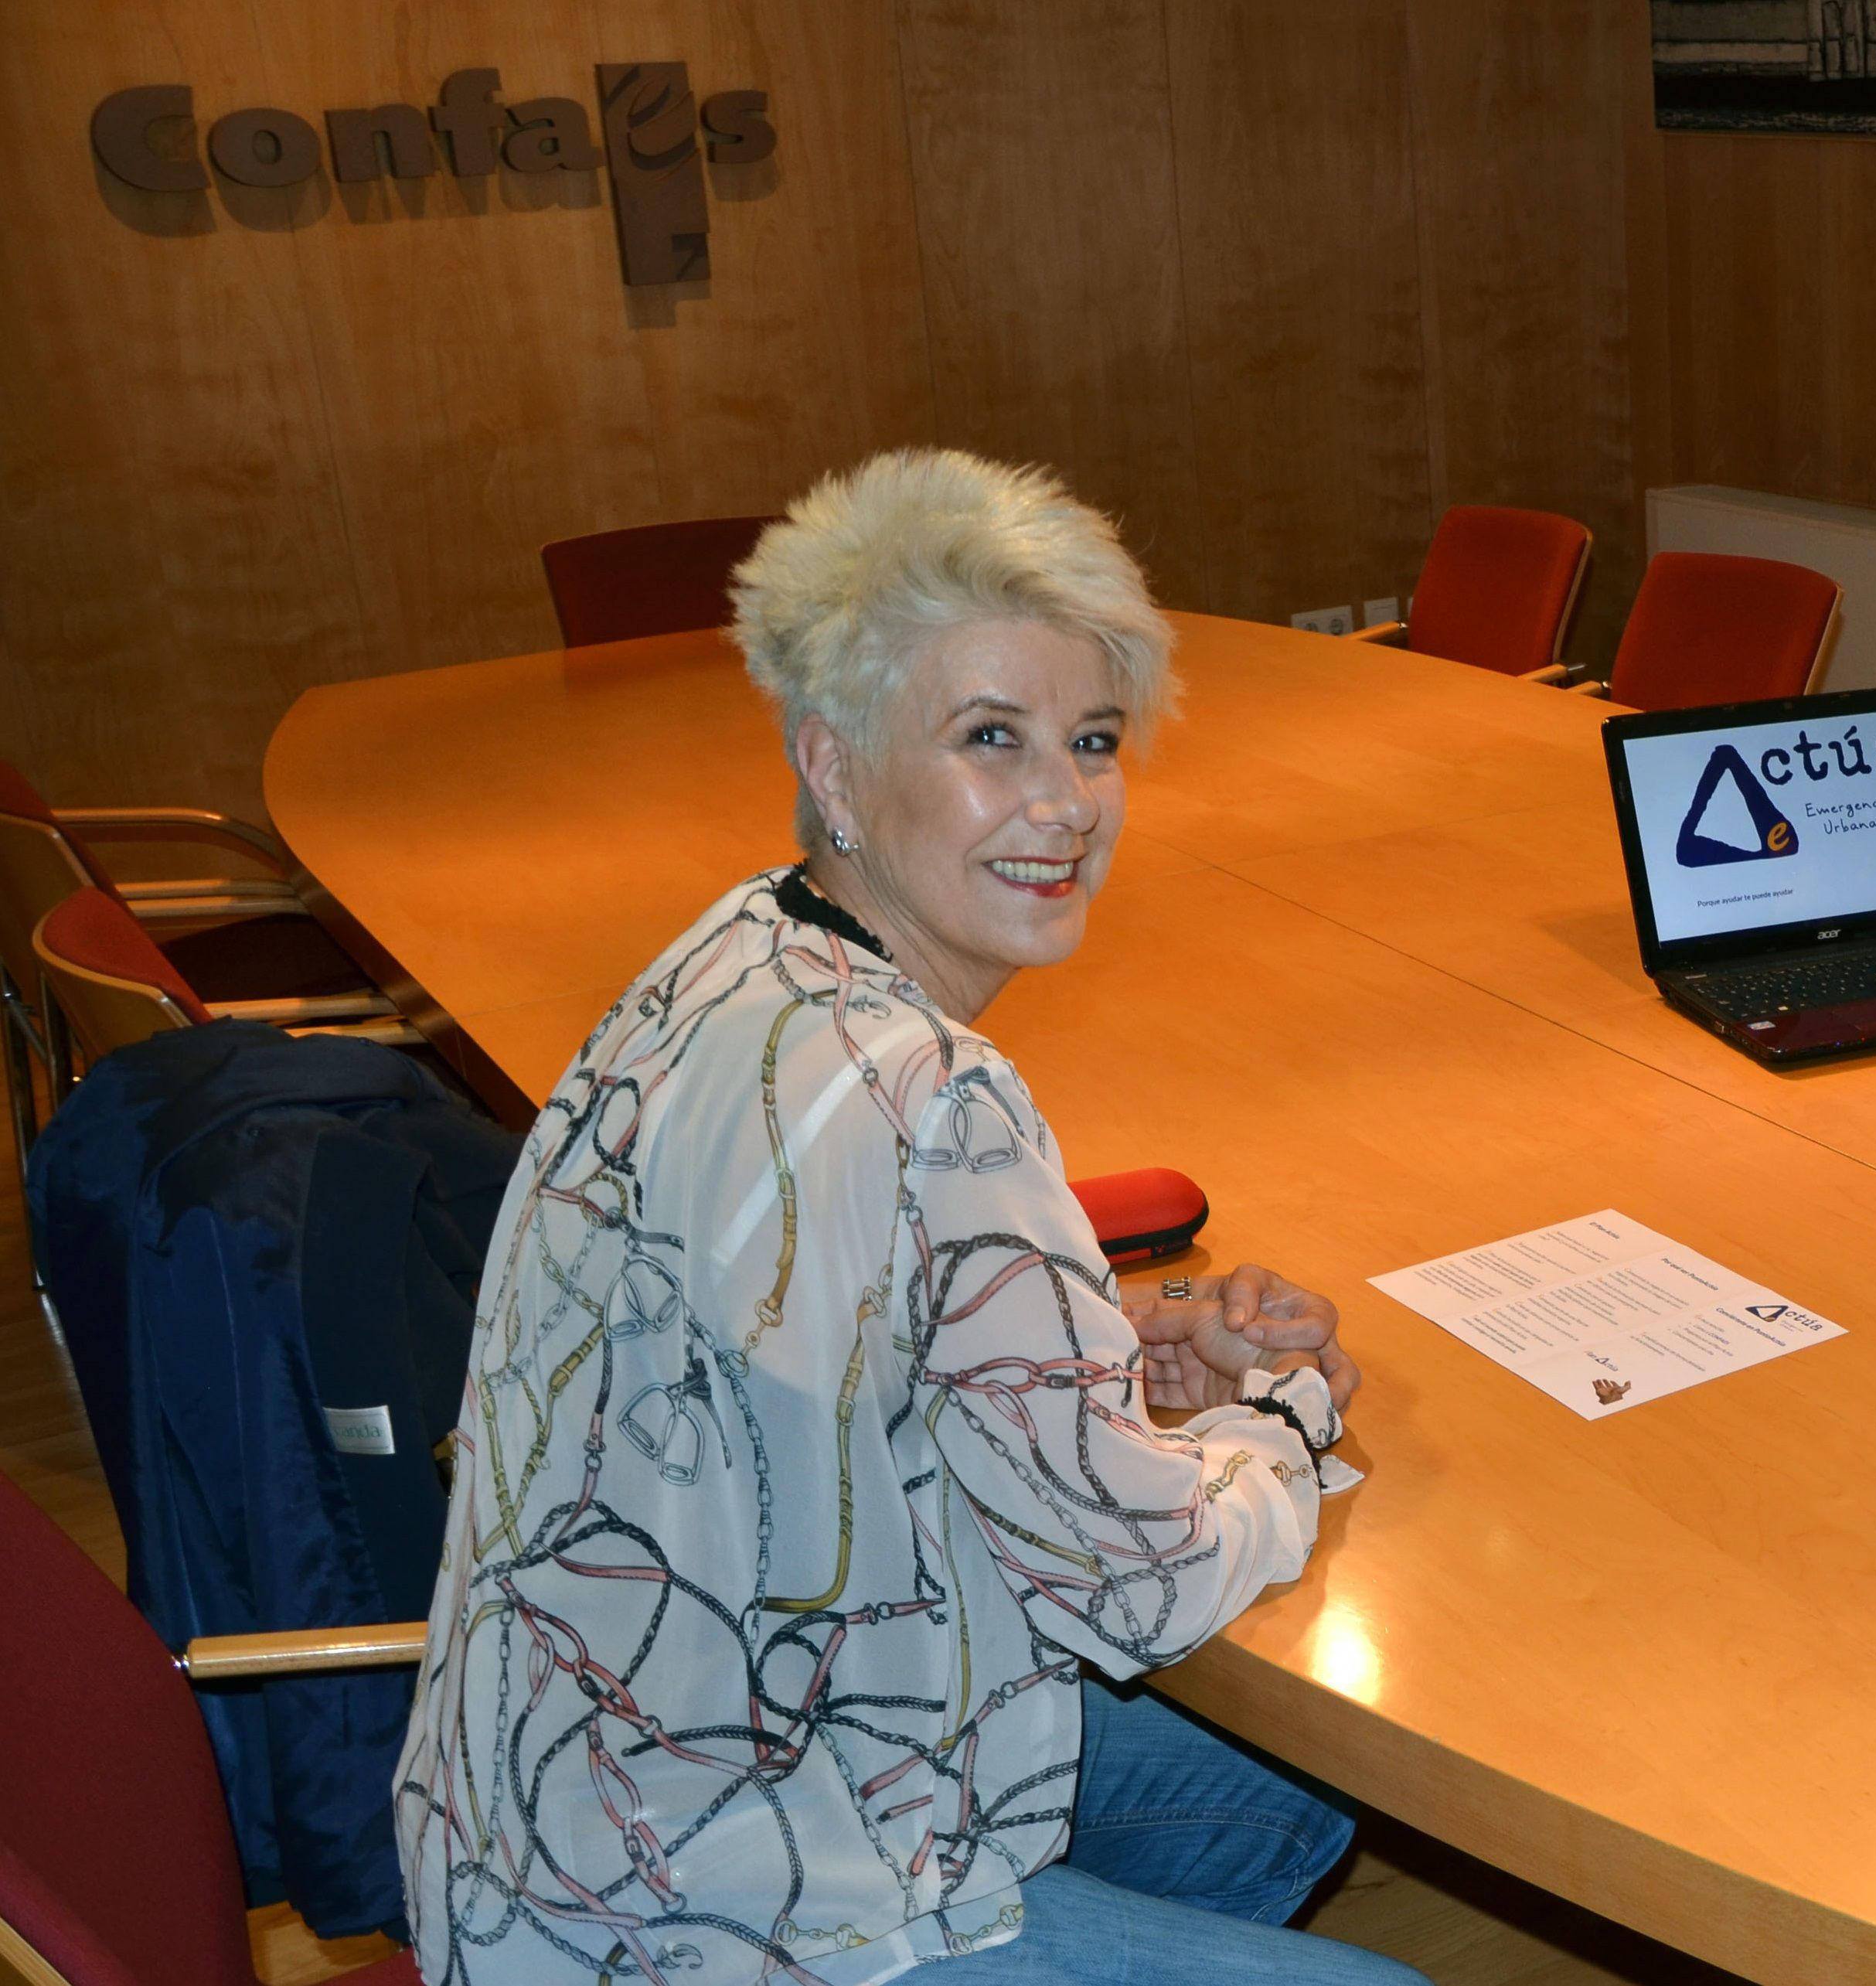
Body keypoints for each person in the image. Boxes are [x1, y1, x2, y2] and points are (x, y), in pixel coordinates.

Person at [392, 449, 1425, 1986]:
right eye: (989, 737)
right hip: (703, 1916)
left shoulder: (731, 956)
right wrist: (1278, 1420)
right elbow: (1140, 1582)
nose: (1063, 802)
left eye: (1091, 739)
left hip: (535, 1829)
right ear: (834, 762)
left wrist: (1108, 1340)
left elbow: (822, 1331)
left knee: (1273, 1784)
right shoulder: (931, 1092)